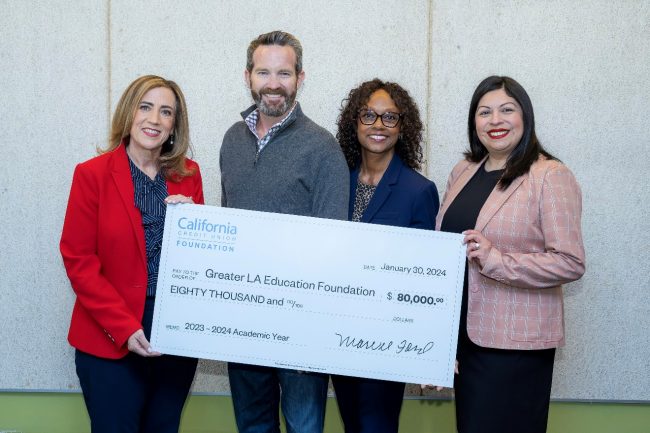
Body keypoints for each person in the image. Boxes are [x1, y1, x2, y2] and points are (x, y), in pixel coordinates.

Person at [436, 75, 586, 433]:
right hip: (465, 339)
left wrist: (496, 260)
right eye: (484, 112)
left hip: (516, 349)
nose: (495, 120)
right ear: (474, 121)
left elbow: (571, 260)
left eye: (507, 110)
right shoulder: (463, 171)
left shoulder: (549, 175)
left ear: (525, 116)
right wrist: (440, 339)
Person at [219, 30, 349, 433]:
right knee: (253, 425)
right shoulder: (231, 140)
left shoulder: (322, 148)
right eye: (263, 72)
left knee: (304, 427)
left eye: (284, 73)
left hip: (302, 329)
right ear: (247, 77)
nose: (273, 83)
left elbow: (333, 244)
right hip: (243, 320)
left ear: (300, 77)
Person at [60, 75, 204, 433]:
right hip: (110, 334)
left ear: (174, 126)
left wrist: (195, 223)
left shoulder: (189, 176)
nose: (154, 119)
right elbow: (79, 261)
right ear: (129, 113)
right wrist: (124, 327)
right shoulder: (91, 174)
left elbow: (201, 262)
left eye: (166, 112)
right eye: (146, 107)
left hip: (174, 334)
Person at [331, 79, 439, 433]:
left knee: (377, 425)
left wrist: (427, 350)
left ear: (403, 127)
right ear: (354, 123)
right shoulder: (335, 184)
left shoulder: (418, 190)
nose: (378, 125)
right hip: (339, 335)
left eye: (390, 117)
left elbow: (425, 276)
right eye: (369, 115)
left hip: (387, 341)